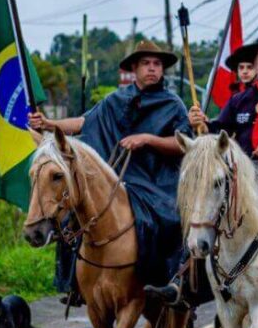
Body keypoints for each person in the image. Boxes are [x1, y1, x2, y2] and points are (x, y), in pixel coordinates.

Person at [146, 35, 258, 304]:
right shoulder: (241, 100)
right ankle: (183, 281)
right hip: (245, 173)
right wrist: (201, 123)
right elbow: (218, 131)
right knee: (202, 211)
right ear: (256, 63)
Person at [28, 41, 190, 305]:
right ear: (134, 69)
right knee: (73, 217)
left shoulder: (173, 104)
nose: (152, 68)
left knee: (170, 220)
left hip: (157, 181)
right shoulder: (116, 99)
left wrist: (147, 139)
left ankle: (171, 283)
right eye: (146, 63)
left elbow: (183, 142)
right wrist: (49, 124)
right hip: (118, 176)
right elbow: (84, 122)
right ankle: (75, 285)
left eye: (157, 64)